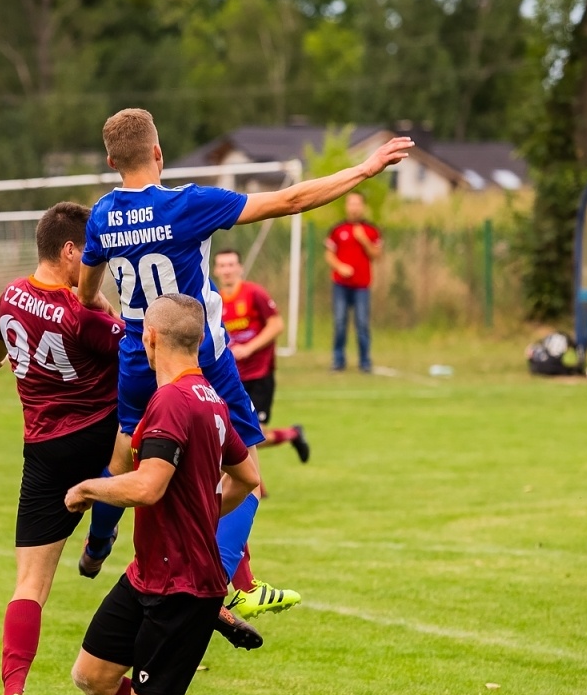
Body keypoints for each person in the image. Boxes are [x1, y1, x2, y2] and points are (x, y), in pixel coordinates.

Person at [76, 108, 413, 634]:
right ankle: (213, 577)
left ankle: (96, 550)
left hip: (140, 357)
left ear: (111, 161)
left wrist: (110, 312)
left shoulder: (99, 217)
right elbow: (292, 199)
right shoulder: (188, 204)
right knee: (247, 477)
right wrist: (363, 170)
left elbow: (88, 291)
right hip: (201, 359)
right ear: (159, 153)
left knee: (123, 458)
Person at [66, 294, 261, 695]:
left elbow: (147, 485)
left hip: (182, 584)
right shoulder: (210, 398)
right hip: (150, 572)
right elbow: (247, 476)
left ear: (149, 339)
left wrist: (88, 487)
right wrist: (200, 510)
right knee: (93, 676)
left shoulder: (172, 401)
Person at [0, 203, 126, 695]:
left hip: (42, 451)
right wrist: (106, 305)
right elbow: (140, 350)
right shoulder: (82, 317)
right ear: (69, 252)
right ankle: (101, 542)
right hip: (96, 437)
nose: (96, 263)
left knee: (29, 585)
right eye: (93, 253)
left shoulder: (11, 294)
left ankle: (13, 692)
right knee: (130, 464)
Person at [213, 249, 309, 462]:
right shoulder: (215, 300)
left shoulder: (254, 293)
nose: (227, 270)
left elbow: (276, 325)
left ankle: (291, 434)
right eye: (222, 265)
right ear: (216, 270)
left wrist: (249, 348)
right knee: (234, 434)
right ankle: (253, 486)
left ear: (240, 268)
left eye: (231, 265)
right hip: (231, 377)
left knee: (254, 436)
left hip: (259, 375)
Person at [325, 193, 382, 373]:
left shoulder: (372, 230)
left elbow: (376, 255)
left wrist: (363, 239)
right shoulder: (337, 229)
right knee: (340, 321)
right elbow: (328, 254)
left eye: (358, 204)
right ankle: (338, 360)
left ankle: (365, 361)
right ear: (346, 206)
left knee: (362, 323)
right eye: (351, 204)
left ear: (363, 207)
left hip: (362, 286)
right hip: (340, 285)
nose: (354, 207)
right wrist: (340, 267)